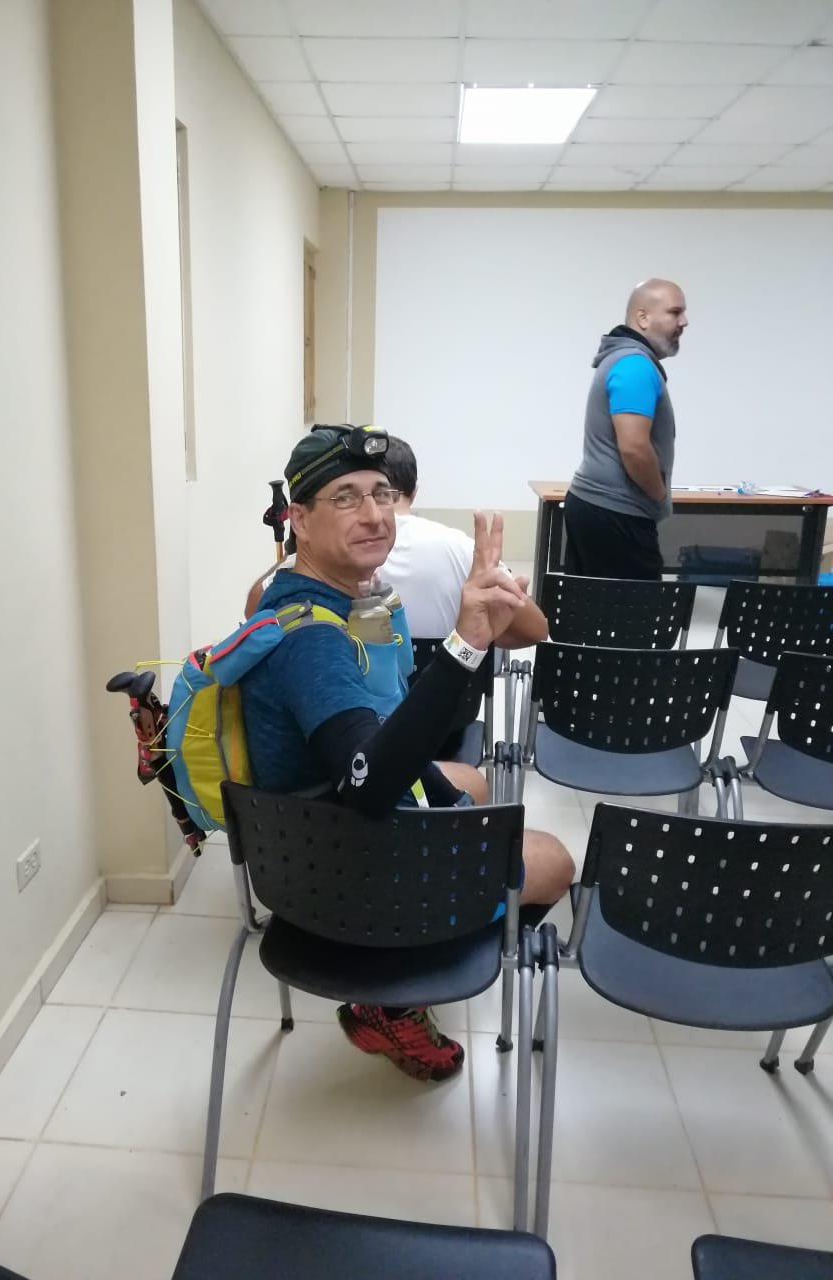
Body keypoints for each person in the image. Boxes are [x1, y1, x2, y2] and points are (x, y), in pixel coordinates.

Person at [239, 425, 574, 1083]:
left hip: (316, 817)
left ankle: (427, 937)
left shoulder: (332, 594)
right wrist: (465, 646)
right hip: (338, 860)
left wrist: (452, 798)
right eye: (346, 497)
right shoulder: (312, 637)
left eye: (382, 494)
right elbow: (367, 786)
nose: (374, 514)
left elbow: (384, 722)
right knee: (555, 861)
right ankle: (392, 997)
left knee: (473, 782)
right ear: (299, 520)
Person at [564, 278, 688, 581]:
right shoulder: (635, 365)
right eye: (675, 312)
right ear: (642, 318)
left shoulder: (624, 359)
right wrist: (658, 495)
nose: (684, 322)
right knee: (635, 609)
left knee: (593, 606)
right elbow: (633, 447)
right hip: (617, 513)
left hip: (599, 509)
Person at [382, 436, 548, 647]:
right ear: (414, 493)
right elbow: (537, 630)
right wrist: (472, 639)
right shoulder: (461, 548)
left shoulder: (343, 557)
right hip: (456, 665)